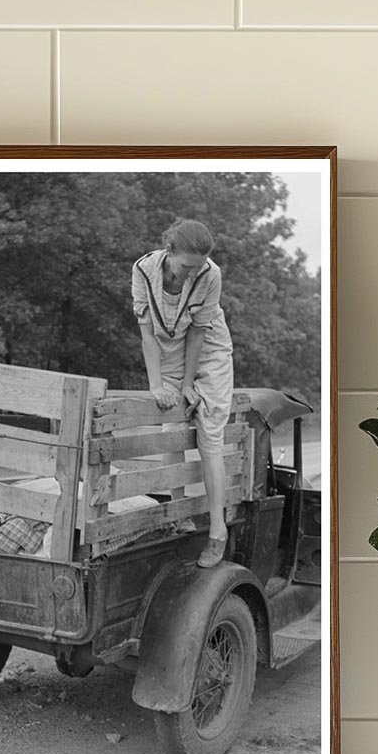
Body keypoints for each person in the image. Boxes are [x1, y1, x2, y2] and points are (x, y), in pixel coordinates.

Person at [131, 218, 234, 569]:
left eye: (199, 266)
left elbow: (199, 333)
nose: (193, 273)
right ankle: (177, 515)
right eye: (187, 266)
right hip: (167, 349)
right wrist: (156, 385)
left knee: (209, 434)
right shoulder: (143, 271)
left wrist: (189, 383)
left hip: (209, 349)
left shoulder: (210, 274)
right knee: (170, 429)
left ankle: (217, 531)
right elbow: (147, 334)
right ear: (170, 252)